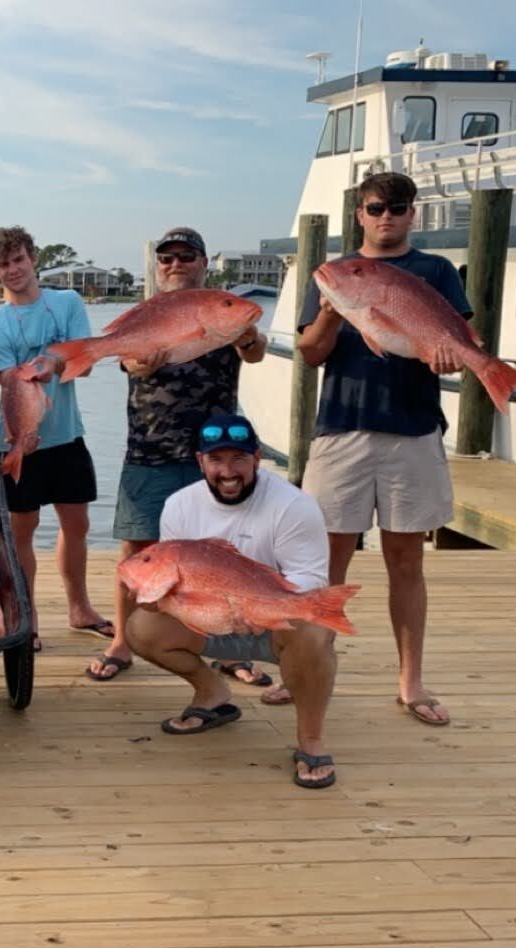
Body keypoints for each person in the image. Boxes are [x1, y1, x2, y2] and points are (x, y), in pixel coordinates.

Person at [292, 171, 469, 727]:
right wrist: (328, 309)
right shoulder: (336, 274)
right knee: (327, 559)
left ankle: (410, 680)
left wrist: (453, 356)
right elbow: (310, 354)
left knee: (405, 559)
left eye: (397, 207)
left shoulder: (436, 271)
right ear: (360, 214)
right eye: (375, 208)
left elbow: (457, 342)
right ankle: (307, 668)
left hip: (413, 431)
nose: (385, 216)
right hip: (342, 430)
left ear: (412, 213)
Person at [87, 227, 268, 683]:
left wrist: (245, 336)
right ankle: (122, 640)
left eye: (187, 256)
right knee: (136, 546)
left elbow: (256, 352)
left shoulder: (224, 308)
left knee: (222, 554)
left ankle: (229, 649)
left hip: (213, 455)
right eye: (166, 258)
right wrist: (133, 360)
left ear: (204, 263)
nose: (175, 264)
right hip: (149, 446)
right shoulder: (143, 312)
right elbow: (127, 358)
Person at [124, 413, 340, 788]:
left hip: (273, 620)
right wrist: (149, 598)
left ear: (257, 458)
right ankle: (212, 693)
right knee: (140, 628)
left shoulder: (294, 505)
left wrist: (263, 605)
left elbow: (310, 578)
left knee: (315, 629)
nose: (228, 471)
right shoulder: (179, 505)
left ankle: (311, 740)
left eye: (239, 459)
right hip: (209, 614)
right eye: (216, 460)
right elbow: (173, 587)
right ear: (200, 462)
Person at [0, 225, 109, 647]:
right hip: (18, 439)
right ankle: (27, 616)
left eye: (19, 259)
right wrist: (24, 432)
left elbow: (85, 363)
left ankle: (80, 607)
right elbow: (6, 381)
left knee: (77, 523)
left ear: (33, 258)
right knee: (22, 529)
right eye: (4, 264)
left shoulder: (67, 303)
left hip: (67, 436)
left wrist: (55, 363)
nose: (13, 269)